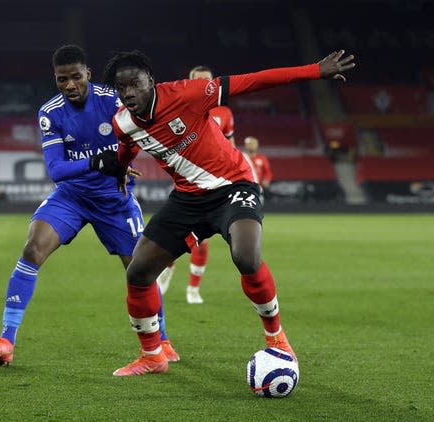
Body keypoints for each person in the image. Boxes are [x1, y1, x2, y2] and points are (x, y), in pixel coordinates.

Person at [98, 49, 355, 376]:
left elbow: (253, 81)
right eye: (122, 88)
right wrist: (120, 168)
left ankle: (277, 337)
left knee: (246, 257)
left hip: (233, 186)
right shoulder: (122, 122)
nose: (129, 93)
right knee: (138, 273)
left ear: (152, 80)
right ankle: (152, 356)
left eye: (135, 84)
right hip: (187, 199)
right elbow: (127, 146)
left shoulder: (187, 94)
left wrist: (314, 71)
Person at [0, 45, 179, 367]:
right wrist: (99, 161)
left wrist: (119, 162)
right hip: (72, 197)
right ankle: (6, 340)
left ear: (87, 73)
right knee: (32, 249)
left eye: (75, 77)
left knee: (140, 271)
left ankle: (163, 342)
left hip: (115, 200)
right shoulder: (51, 112)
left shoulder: (112, 100)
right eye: (62, 80)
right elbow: (56, 170)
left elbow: (139, 137)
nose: (70, 85)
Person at [156, 65, 237, 304]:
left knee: (202, 237)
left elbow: (231, 146)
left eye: (206, 81)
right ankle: (168, 268)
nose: (203, 85)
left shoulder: (224, 112)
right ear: (188, 82)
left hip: (215, 184)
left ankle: (193, 289)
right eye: (198, 81)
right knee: (176, 234)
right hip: (188, 181)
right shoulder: (181, 108)